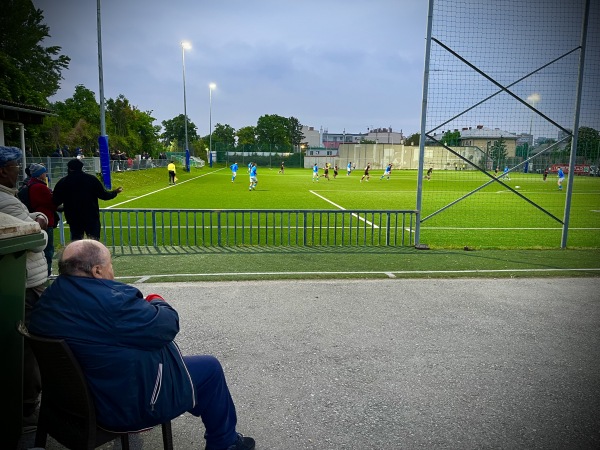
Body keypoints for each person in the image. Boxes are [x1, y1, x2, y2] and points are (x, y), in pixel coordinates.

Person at [28, 240, 255, 450]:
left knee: (191, 372)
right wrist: (158, 300)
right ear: (97, 270)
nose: (112, 271)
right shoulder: (113, 304)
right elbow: (166, 327)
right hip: (119, 404)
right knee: (210, 368)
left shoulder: (48, 300)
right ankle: (225, 442)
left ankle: (204, 410)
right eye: (110, 264)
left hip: (71, 400)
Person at [0, 146, 48, 433]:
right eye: (16, 165)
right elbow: (37, 240)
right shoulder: (7, 203)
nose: (21, 169)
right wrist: (39, 221)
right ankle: (28, 407)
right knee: (28, 343)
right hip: (27, 283)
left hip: (23, 282)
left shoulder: (11, 199)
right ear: (3, 170)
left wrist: (35, 217)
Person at [52, 158, 123, 241]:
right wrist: (115, 192)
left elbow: (56, 200)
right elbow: (104, 195)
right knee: (94, 242)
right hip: (91, 216)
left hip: (73, 217)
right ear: (81, 167)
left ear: (69, 168)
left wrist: (63, 207)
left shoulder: (63, 182)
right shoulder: (91, 179)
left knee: (76, 243)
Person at [27, 163, 59, 275]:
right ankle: (47, 272)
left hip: (40, 219)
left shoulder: (31, 185)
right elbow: (52, 203)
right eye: (44, 172)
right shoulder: (39, 187)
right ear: (40, 174)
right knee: (48, 250)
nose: (46, 174)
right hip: (45, 221)